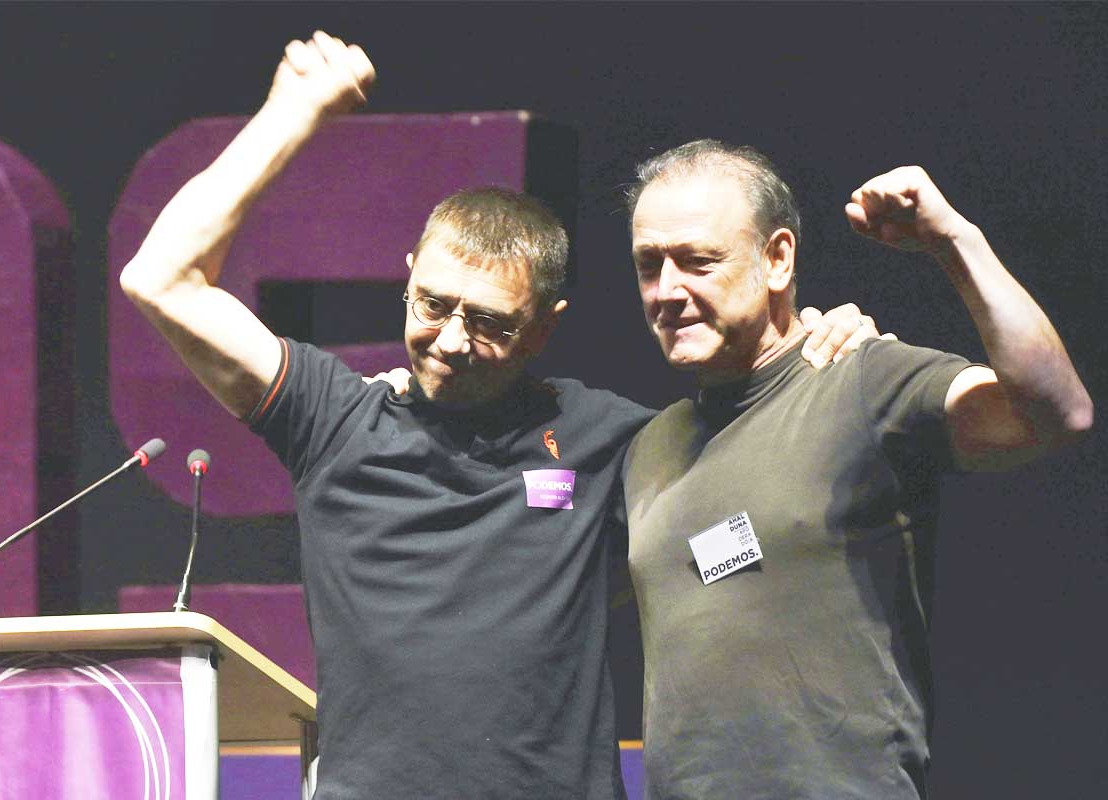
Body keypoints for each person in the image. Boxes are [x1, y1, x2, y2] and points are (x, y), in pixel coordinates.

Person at [121, 33, 875, 798]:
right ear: (408, 279)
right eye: (434, 305)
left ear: (545, 327)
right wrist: (292, 113)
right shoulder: (332, 417)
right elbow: (161, 278)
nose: (451, 341)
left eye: (489, 322)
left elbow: (758, 455)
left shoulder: (609, 437)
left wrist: (822, 337)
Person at [622, 139, 1093, 799]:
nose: (668, 291)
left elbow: (1056, 414)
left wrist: (955, 241)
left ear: (777, 258)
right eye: (649, 265)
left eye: (699, 262)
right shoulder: (650, 446)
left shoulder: (861, 379)